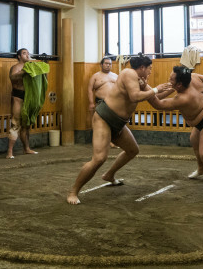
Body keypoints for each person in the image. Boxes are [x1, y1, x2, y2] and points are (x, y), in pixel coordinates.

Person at [67, 55, 172, 204]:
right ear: (142, 67)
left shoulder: (140, 81)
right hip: (105, 118)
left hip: (119, 123)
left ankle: (109, 175)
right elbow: (135, 96)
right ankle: (73, 192)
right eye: (149, 68)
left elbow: (156, 100)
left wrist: (174, 87)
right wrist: (155, 89)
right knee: (99, 158)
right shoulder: (128, 74)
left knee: (132, 150)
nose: (150, 71)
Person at [148, 66, 203, 195]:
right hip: (202, 118)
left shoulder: (183, 98)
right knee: (194, 140)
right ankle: (202, 169)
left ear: (179, 85)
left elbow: (158, 104)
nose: (168, 80)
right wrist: (154, 91)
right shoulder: (192, 78)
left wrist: (146, 89)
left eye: (171, 79)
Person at [7, 48, 38, 158]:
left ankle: (27, 149)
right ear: (19, 56)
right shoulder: (15, 67)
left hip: (29, 97)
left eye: (28, 53)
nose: (27, 55)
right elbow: (13, 78)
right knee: (15, 124)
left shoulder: (32, 66)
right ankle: (9, 152)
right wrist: (23, 72)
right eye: (24, 53)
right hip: (18, 97)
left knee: (26, 125)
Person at [88, 56, 119, 148]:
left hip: (114, 102)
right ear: (101, 65)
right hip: (101, 102)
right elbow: (90, 90)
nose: (108, 65)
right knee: (101, 123)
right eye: (106, 63)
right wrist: (91, 103)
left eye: (110, 64)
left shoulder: (115, 76)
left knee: (113, 123)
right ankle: (102, 142)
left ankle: (112, 141)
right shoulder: (95, 76)